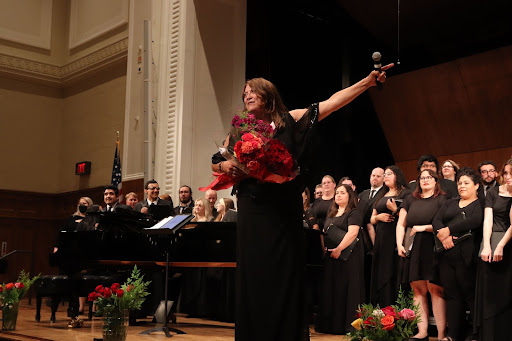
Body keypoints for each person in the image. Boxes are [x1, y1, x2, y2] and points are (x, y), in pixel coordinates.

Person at [210, 65, 391, 340]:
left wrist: (366, 83)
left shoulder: (289, 120)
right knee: (254, 273)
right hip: (252, 210)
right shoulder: (238, 130)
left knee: (282, 273)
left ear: (268, 95)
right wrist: (227, 167)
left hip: (281, 211)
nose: (246, 96)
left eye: (252, 91)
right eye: (244, 93)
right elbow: (215, 164)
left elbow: (331, 103)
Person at [396, 169, 447, 341]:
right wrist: (399, 244)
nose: (425, 180)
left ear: (435, 180)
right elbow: (401, 224)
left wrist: (423, 228)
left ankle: (441, 334)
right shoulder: (410, 199)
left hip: (432, 245)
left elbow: (445, 225)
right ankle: (422, 331)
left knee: (435, 289)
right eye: (422, 178)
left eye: (429, 177)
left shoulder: (442, 199)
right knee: (417, 290)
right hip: (413, 246)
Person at [433, 167, 483, 341]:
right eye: (460, 183)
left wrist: (449, 230)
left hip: (467, 256)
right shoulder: (450, 202)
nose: (462, 186)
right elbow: (436, 220)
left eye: (466, 183)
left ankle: (477, 334)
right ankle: (453, 335)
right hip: (446, 255)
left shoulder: (480, 204)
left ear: (476, 185)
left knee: (470, 295)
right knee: (452, 295)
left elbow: (475, 221)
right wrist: (444, 236)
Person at [317, 184, 364, 334]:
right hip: (332, 257)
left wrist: (339, 249)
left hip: (348, 257)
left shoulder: (354, 213)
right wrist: (325, 249)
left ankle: (349, 326)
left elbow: (353, 233)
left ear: (349, 196)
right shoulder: (331, 213)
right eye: (337, 193)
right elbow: (325, 233)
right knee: (333, 289)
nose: (338, 195)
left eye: (342, 193)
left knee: (347, 289)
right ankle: (332, 325)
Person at [474, 159, 512, 341]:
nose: (508, 177)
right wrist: (487, 245)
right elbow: (487, 220)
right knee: (489, 290)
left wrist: (501, 245)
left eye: (511, 174)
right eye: (506, 173)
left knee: (506, 290)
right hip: (491, 240)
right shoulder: (493, 192)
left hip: (508, 242)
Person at [370, 165, 412, 307]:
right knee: (380, 271)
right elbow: (371, 218)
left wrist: (396, 210)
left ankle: (396, 311)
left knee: (393, 272)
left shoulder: (406, 193)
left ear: (398, 176)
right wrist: (378, 218)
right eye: (385, 174)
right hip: (381, 239)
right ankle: (380, 309)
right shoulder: (382, 193)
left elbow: (409, 218)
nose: (385, 176)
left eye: (389, 174)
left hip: (395, 238)